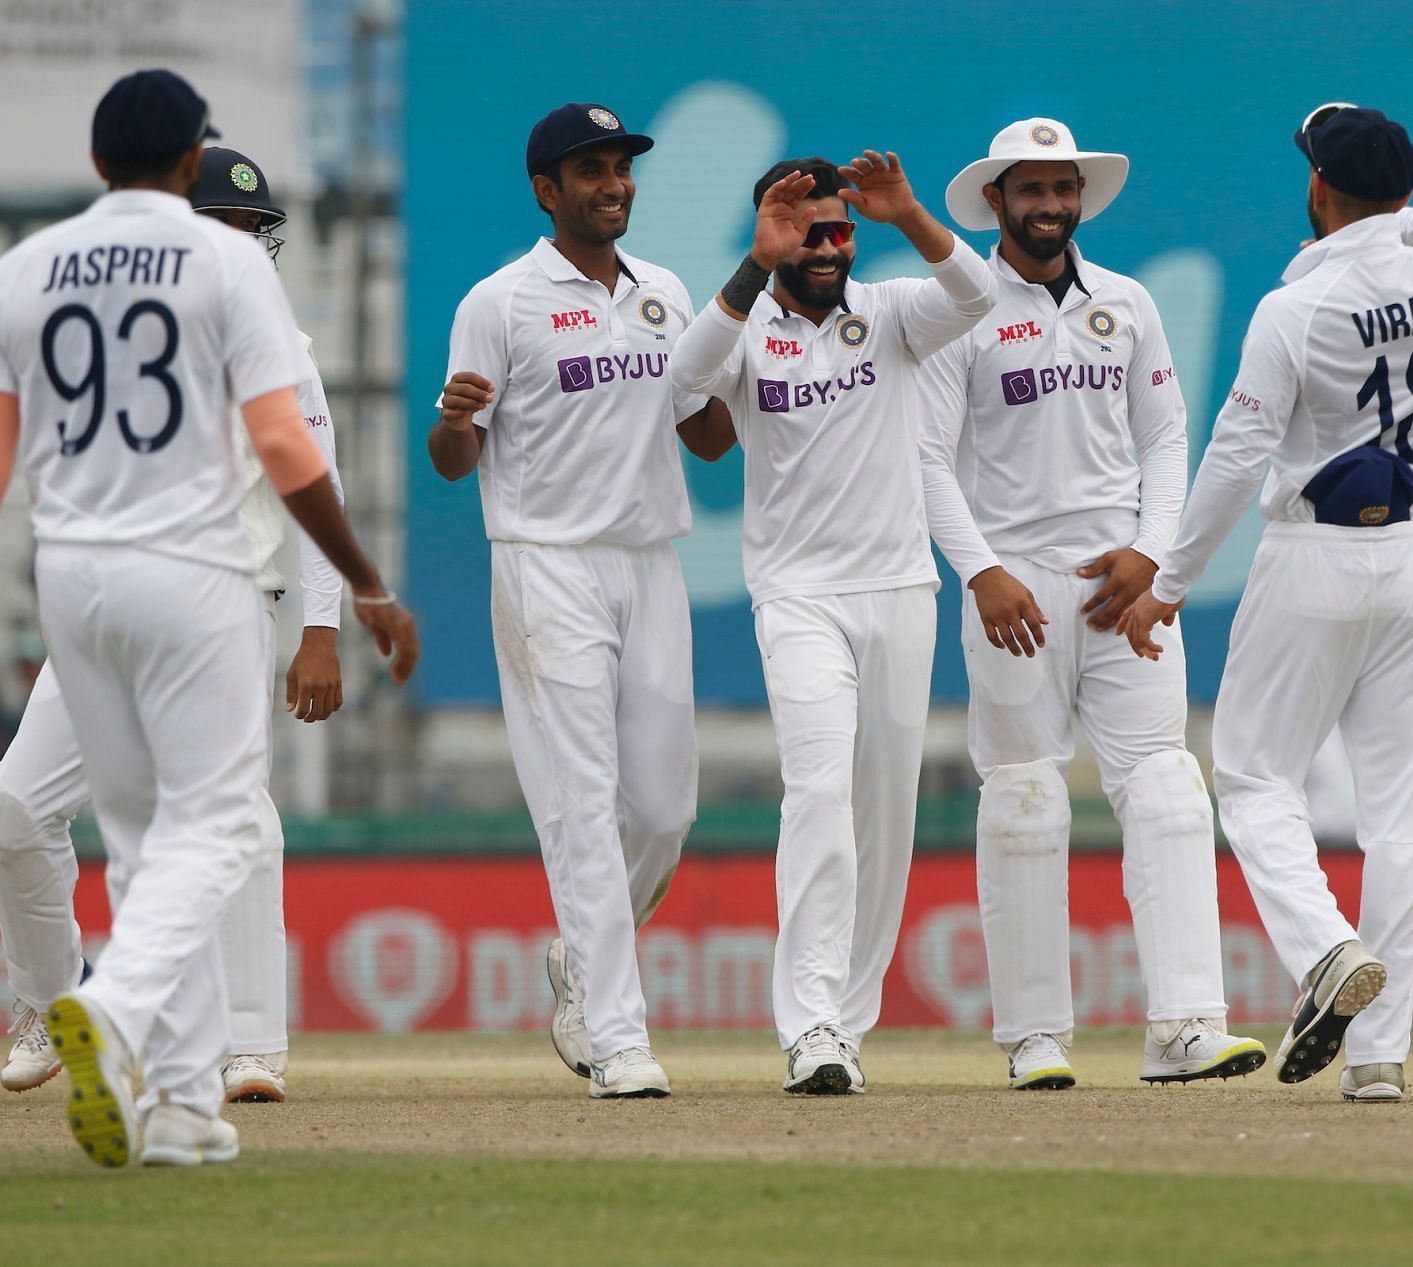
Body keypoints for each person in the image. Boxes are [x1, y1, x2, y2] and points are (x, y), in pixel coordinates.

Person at [0, 68, 417, 1167]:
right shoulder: (226, 264)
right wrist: (363, 581)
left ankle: (179, 1105)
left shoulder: (27, 266)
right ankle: (117, 1004)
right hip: (196, 573)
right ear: (190, 159)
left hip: (74, 578)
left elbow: (2, 449)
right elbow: (287, 451)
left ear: (96, 164)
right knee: (219, 821)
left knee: (145, 833)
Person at [1119, 104, 1413, 1101]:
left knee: (1255, 774)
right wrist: (1397, 224)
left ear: (1315, 190)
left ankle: (1323, 950)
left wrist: (1169, 583)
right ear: (1400, 195)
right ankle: (1380, 1058)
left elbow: (1234, 455)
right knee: (1398, 815)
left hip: (1311, 554)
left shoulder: (1293, 309)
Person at [918, 118, 1265, 1090]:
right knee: (1025, 793)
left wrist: (1155, 555)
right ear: (995, 201)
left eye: (1062, 188)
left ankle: (1186, 1024)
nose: (1050, 206)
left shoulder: (1127, 301)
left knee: (1163, 782)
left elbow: (1166, 435)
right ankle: (1033, 1035)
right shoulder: (961, 307)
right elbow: (925, 456)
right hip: (1014, 583)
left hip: (1120, 580)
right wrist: (980, 570)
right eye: (1030, 190)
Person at [670, 151, 994, 1094]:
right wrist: (748, 266)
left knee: (885, 814)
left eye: (837, 229)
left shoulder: (891, 310)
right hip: (797, 595)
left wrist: (910, 214)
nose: (824, 246)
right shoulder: (743, 322)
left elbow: (974, 297)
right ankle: (810, 1022)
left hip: (898, 589)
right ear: (775, 233)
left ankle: (846, 1028)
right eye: (805, 231)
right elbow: (683, 382)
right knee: (817, 791)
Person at [428, 101, 733, 1100]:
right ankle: (616, 1036)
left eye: (621, 167)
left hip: (650, 563)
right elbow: (450, 458)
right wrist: (456, 423)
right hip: (545, 563)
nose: (615, 184)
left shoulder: (667, 290)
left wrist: (748, 361)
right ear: (545, 190)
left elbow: (706, 437)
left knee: (664, 809)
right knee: (582, 808)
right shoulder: (501, 300)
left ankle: (581, 957)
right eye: (591, 170)